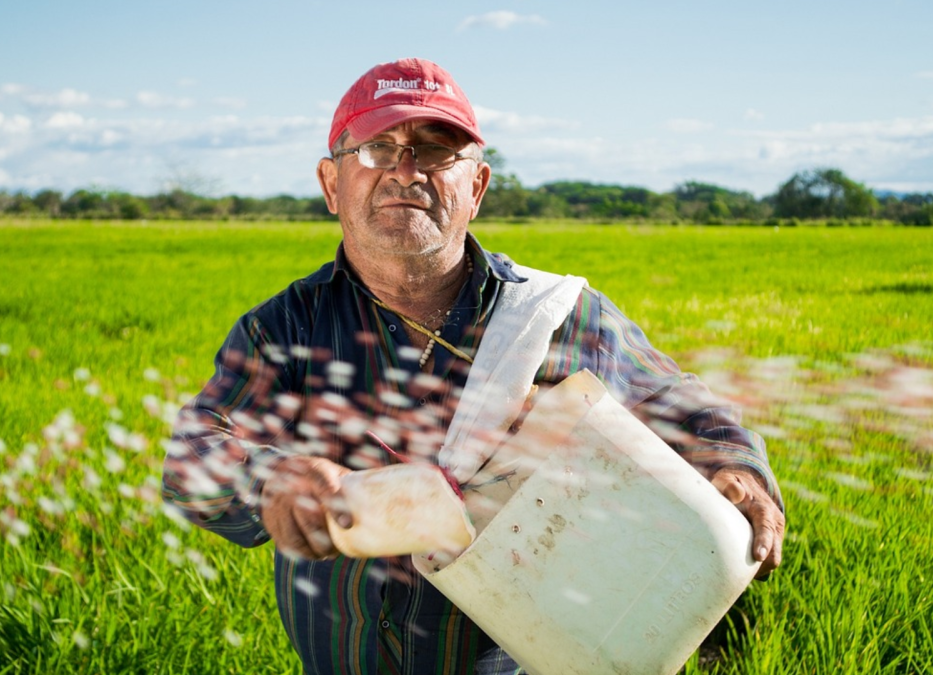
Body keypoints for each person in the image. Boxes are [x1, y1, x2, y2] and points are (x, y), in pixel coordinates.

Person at [162, 57, 786, 675]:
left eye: (436, 151)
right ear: (332, 184)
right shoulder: (285, 328)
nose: (406, 172)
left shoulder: (552, 316)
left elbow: (680, 403)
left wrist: (734, 463)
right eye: (378, 148)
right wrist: (269, 481)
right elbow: (193, 454)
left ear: (477, 188)